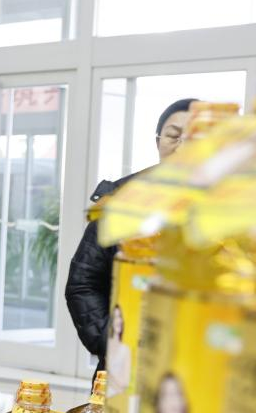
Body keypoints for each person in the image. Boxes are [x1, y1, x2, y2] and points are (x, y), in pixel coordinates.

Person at [66, 99, 193, 369]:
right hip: (127, 362)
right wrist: (111, 341)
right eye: (173, 136)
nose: (182, 146)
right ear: (158, 142)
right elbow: (83, 282)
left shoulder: (235, 208)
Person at [106, 305, 132, 398]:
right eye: (115, 317)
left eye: (120, 316)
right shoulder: (104, 346)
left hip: (116, 398)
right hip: (101, 397)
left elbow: (125, 383)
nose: (119, 320)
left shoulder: (125, 350)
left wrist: (108, 374)